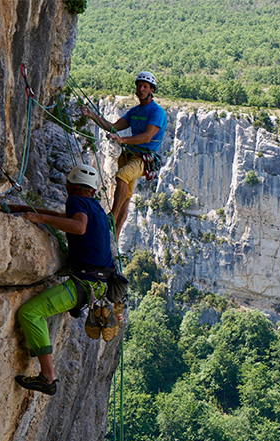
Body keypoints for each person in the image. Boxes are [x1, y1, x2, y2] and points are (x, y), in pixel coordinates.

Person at [13, 163, 116, 395]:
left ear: (71, 185)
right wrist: (30, 210)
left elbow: (78, 227)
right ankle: (40, 355)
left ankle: (48, 377)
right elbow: (69, 219)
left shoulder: (76, 201)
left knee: (30, 313)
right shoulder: (96, 207)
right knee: (38, 312)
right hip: (99, 283)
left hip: (84, 283)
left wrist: (40, 220)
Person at [81, 71, 167, 238]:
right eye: (139, 86)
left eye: (145, 87)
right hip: (128, 155)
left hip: (144, 158)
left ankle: (111, 217)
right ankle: (115, 236)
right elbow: (112, 127)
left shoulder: (157, 112)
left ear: (151, 90)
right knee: (126, 197)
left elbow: (147, 136)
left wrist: (122, 140)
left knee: (122, 176)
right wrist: (92, 116)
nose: (141, 89)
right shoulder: (134, 112)